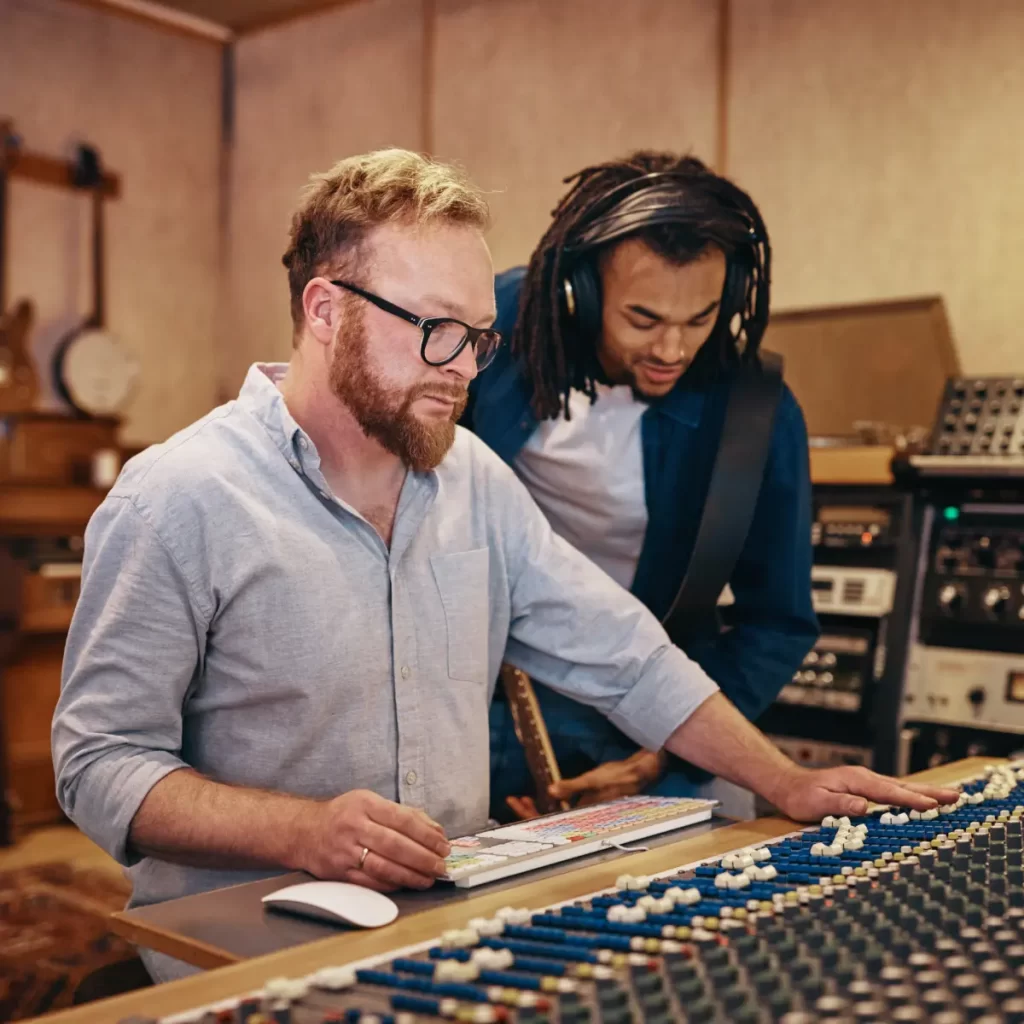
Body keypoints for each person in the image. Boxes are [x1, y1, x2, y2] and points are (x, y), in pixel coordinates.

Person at [52, 149, 955, 984]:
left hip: (436, 940)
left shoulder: (475, 481)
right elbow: (98, 764)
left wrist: (784, 780)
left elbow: (629, 659)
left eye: (481, 337)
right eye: (437, 331)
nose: (466, 371)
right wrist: (302, 830)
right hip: (233, 955)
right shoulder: (175, 498)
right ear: (325, 311)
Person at [466, 152, 819, 820]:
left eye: (701, 318)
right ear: (581, 292)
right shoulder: (496, 329)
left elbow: (776, 620)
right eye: (644, 318)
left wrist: (667, 753)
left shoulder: (756, 414)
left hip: (647, 719)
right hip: (475, 699)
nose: (673, 350)